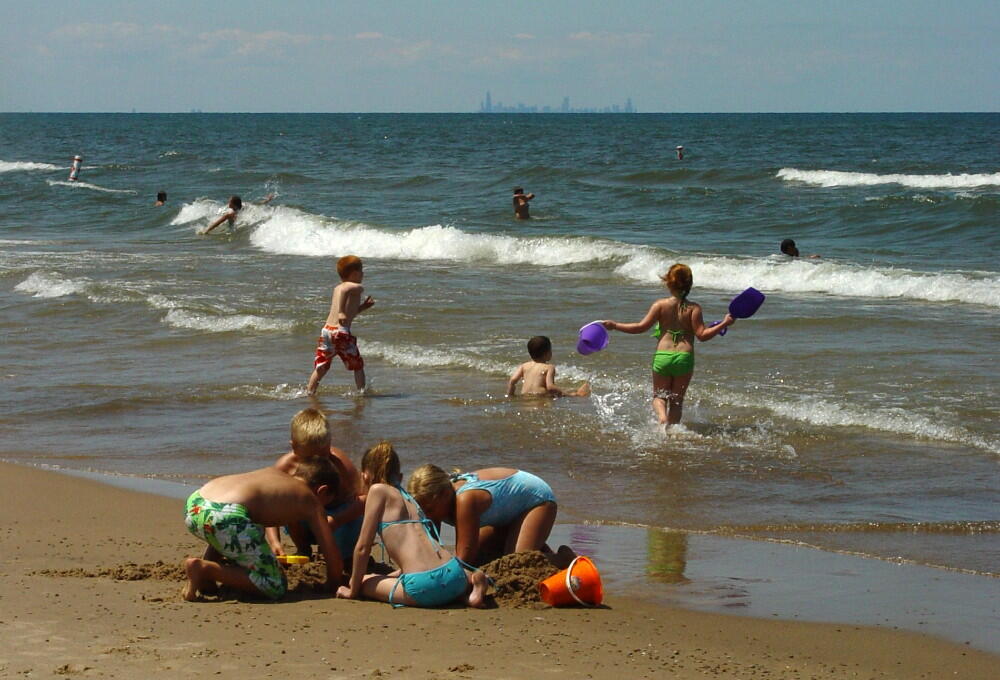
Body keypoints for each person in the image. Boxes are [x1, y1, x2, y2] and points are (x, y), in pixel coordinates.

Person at [336, 442, 488, 607]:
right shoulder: (410, 499)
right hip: (454, 575)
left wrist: (353, 589)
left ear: (365, 476)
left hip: (422, 587)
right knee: (442, 579)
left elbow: (362, 548)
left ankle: (448, 594)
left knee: (364, 581)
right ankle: (472, 585)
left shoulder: (377, 490)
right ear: (400, 477)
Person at [182, 458, 343, 601]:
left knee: (242, 527)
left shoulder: (275, 475)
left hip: (196, 503)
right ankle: (205, 570)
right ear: (322, 491)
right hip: (224, 515)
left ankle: (207, 574)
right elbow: (330, 551)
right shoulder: (311, 500)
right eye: (326, 503)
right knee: (275, 585)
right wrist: (333, 583)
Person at [601, 263, 733, 426]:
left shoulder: (660, 305)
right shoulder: (694, 308)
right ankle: (672, 432)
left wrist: (615, 325)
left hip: (663, 357)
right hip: (684, 358)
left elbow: (640, 327)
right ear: (689, 284)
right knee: (677, 401)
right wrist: (724, 323)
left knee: (659, 397)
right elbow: (702, 336)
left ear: (668, 283)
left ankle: (662, 419)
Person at [407, 464, 574, 568]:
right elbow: (430, 547)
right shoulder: (436, 504)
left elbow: (464, 559)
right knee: (484, 556)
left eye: (429, 509)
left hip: (536, 500)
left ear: (444, 494)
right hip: (507, 512)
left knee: (517, 563)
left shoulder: (465, 500)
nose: (425, 515)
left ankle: (563, 559)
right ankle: (534, 545)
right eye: (421, 509)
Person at [267, 408, 364, 569]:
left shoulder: (340, 464)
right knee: (289, 509)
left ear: (330, 444)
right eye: (308, 459)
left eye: (323, 456)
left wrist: (338, 519)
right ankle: (303, 549)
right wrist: (274, 542)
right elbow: (270, 506)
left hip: (338, 520)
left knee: (344, 550)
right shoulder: (285, 467)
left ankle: (344, 555)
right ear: (294, 447)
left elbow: (365, 499)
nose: (317, 464)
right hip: (305, 522)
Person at [307, 255, 375, 395]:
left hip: (326, 331)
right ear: (354, 273)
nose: (363, 274)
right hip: (340, 332)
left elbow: (351, 312)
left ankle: (310, 391)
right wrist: (342, 312)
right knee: (357, 365)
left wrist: (363, 307)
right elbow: (345, 296)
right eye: (361, 271)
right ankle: (362, 392)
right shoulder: (356, 286)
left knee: (322, 366)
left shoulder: (337, 288)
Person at [507, 336, 590, 397]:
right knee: (562, 394)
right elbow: (550, 387)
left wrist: (511, 395)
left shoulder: (524, 366)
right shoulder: (549, 367)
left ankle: (572, 391)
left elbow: (512, 380)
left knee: (560, 390)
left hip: (525, 396)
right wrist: (568, 394)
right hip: (541, 396)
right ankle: (575, 394)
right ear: (547, 353)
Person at [202, 193, 275, 234]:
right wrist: (268, 200)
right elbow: (257, 204)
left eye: (230, 202)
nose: (228, 203)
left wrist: (206, 230)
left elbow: (218, 222)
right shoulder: (244, 205)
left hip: (232, 230)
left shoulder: (230, 214)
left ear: (234, 204)